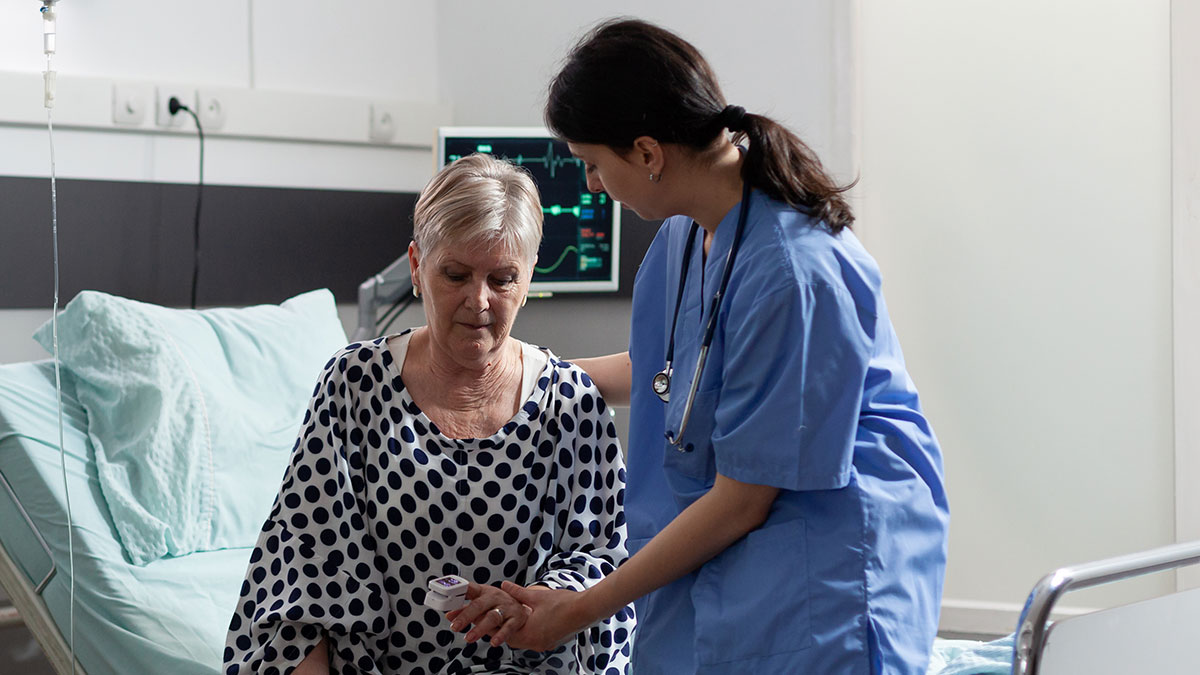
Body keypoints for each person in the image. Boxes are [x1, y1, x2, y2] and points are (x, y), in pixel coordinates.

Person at [480, 18, 950, 674]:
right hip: (727, 542)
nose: (591, 185)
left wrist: (581, 607)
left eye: (593, 164)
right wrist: (518, 375)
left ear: (646, 153)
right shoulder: (684, 239)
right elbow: (672, 372)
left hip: (821, 566)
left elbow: (746, 495)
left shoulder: (794, 270)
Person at [223, 153, 635, 675]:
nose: (478, 300)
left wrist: (539, 601)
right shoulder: (356, 386)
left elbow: (604, 562)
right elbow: (302, 574)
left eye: (502, 278)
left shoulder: (570, 404)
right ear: (417, 266)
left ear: (529, 277)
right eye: (456, 275)